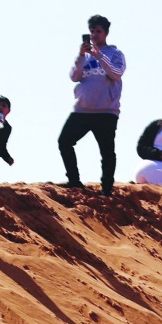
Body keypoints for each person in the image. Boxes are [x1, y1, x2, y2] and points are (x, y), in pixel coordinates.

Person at [59, 14, 126, 195]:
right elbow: (74, 77)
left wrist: (100, 55)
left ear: (106, 33)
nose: (95, 35)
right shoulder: (84, 56)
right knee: (64, 141)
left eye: (98, 31)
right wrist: (81, 55)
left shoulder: (115, 54)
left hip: (106, 111)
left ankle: (106, 188)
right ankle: (74, 181)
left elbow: (117, 73)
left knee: (107, 151)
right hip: (82, 109)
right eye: (92, 31)